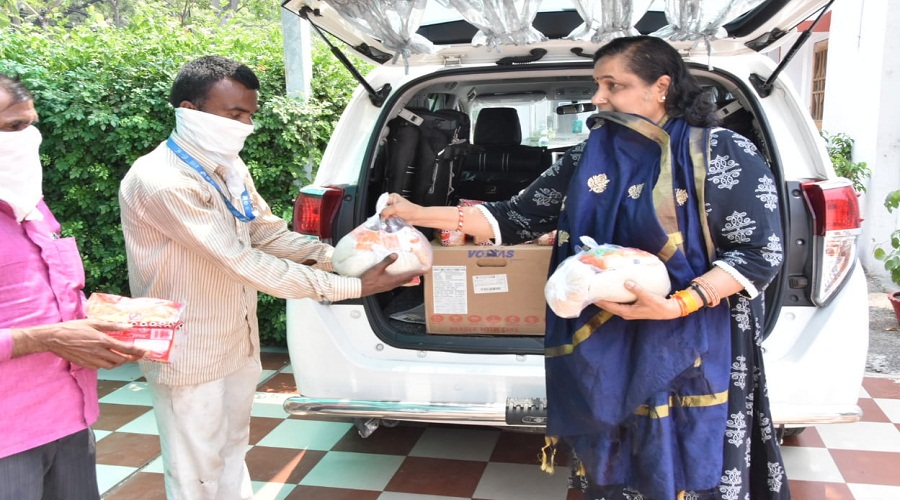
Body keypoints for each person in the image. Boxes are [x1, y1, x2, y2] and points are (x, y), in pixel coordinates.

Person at [382, 36, 788, 499]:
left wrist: (677, 305)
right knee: (614, 457)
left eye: (613, 85)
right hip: (607, 336)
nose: (598, 97)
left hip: (695, 334)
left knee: (693, 451)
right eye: (598, 84)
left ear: (661, 87)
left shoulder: (719, 152)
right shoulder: (587, 155)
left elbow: (758, 252)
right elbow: (513, 217)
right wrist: (416, 213)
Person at [118, 55, 419, 500]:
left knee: (232, 449)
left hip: (235, 336)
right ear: (189, 110)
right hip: (185, 346)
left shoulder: (228, 166)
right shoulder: (163, 180)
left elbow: (266, 232)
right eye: (233, 114)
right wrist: (355, 287)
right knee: (194, 466)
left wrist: (338, 258)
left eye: (250, 114)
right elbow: (241, 261)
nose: (244, 125)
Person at [0, 74, 146, 500]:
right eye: (11, 127)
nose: (26, 139)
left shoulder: (30, 205)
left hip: (68, 416)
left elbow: (48, 295)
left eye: (30, 124)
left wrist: (104, 322)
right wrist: (45, 337)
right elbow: (39, 328)